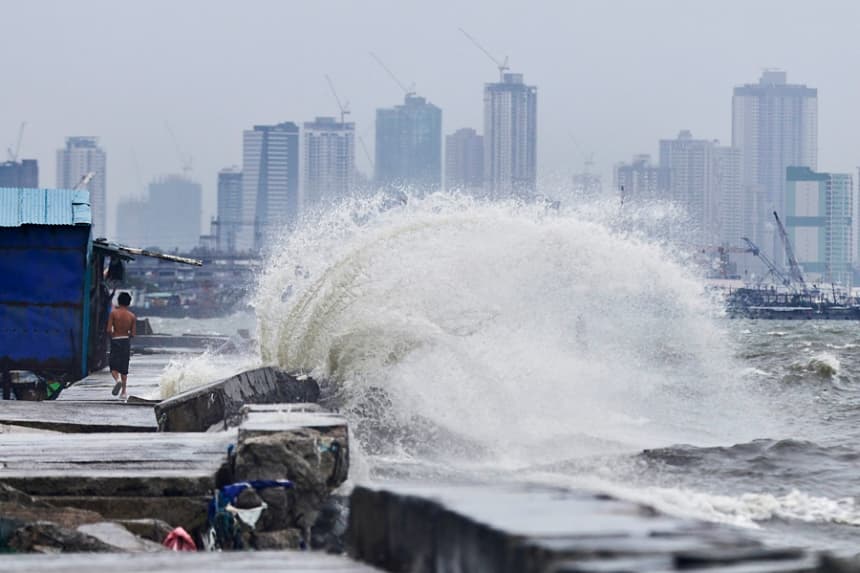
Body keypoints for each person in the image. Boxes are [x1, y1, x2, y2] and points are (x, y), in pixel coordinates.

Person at [107, 292, 136, 401]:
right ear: (129, 303)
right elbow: (133, 334)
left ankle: (117, 380)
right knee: (124, 367)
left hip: (115, 340)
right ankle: (124, 392)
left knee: (113, 365)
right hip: (125, 341)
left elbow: (109, 330)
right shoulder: (132, 316)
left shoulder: (113, 314)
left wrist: (112, 336)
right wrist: (126, 335)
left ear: (119, 301)